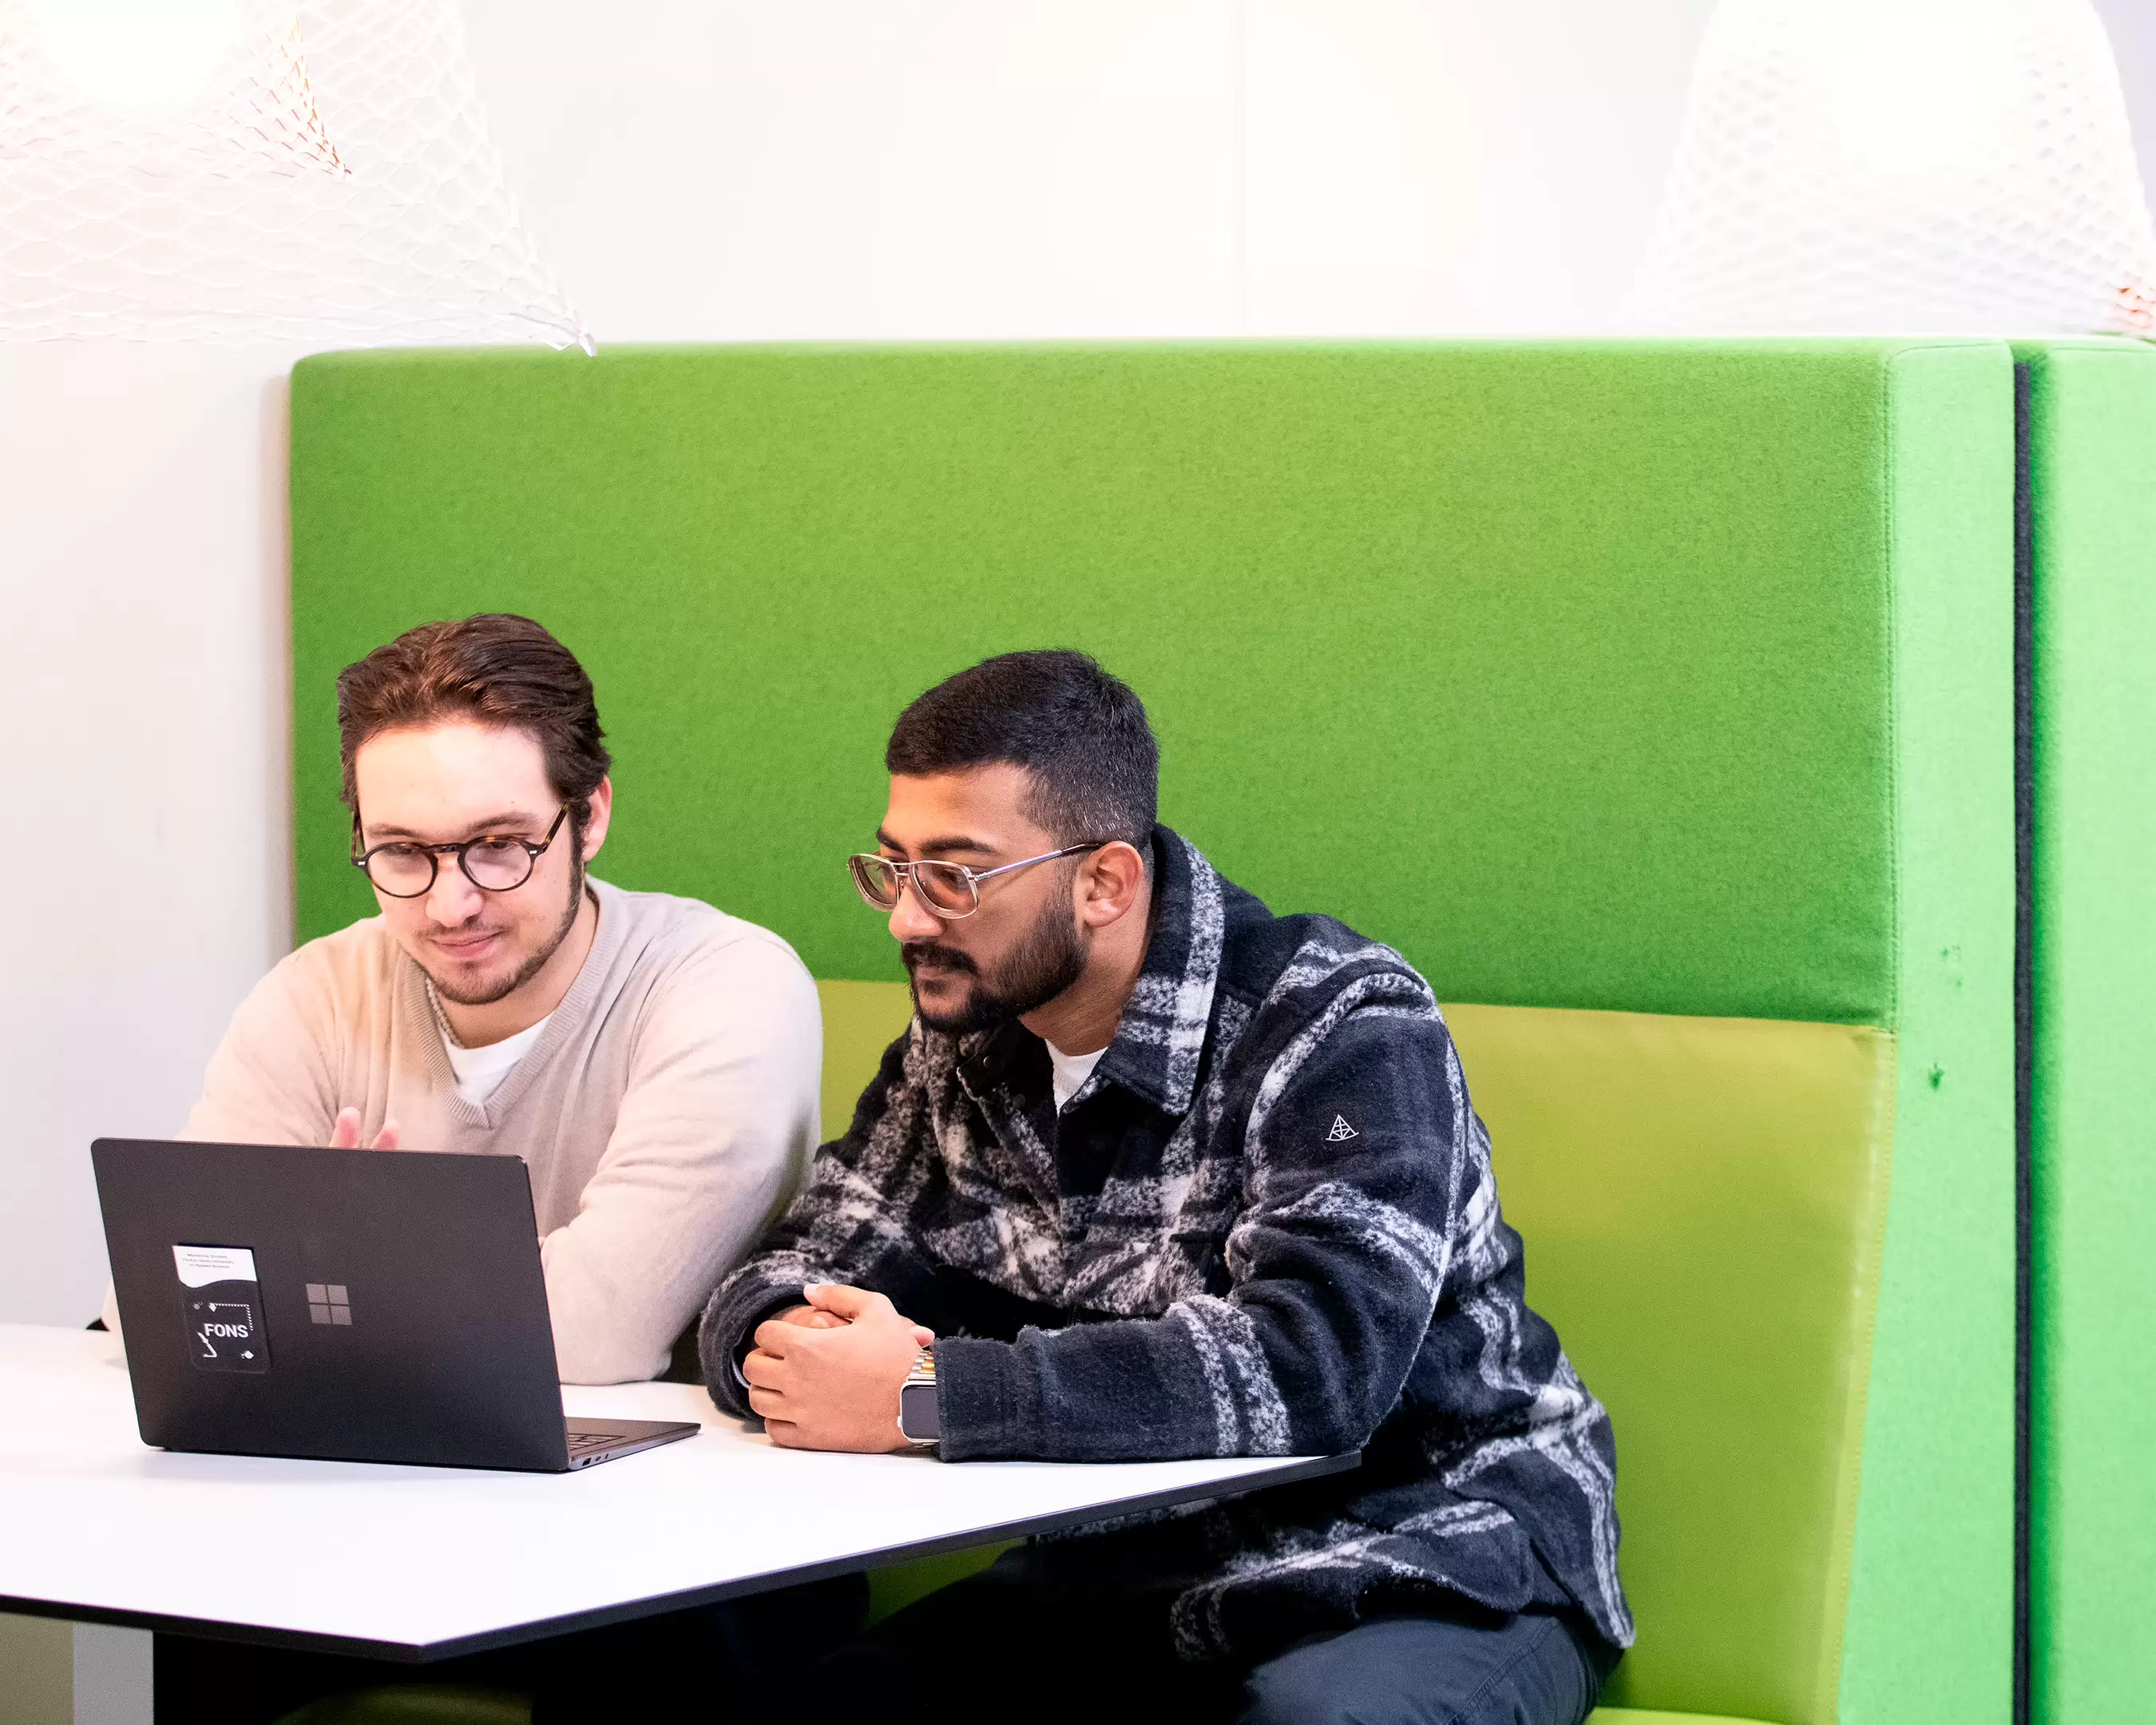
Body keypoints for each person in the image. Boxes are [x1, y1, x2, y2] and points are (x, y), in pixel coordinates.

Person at [701, 650, 1632, 1725]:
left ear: (1104, 883)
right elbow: (806, 1253)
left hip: (1433, 1556)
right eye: (894, 868)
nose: (909, 920)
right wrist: (789, 1346)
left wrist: (926, 1392)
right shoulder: (966, 1028)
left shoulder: (1339, 1020)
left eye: (956, 875)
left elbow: (1317, 1367)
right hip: (1137, 1570)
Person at [109, 612, 822, 1387]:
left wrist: (341, 1271)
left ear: (590, 817)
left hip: (652, 1489)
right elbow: (165, 1297)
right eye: (402, 852)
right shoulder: (317, 996)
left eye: (498, 846)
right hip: (364, 1471)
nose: (451, 905)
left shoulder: (724, 987)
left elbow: (593, 1337)